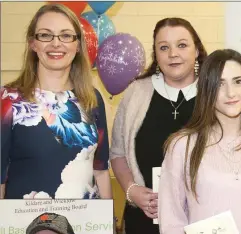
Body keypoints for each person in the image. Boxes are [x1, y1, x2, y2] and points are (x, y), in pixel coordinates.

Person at [158, 49, 241, 233]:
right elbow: (171, 220)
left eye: (238, 82)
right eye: (220, 84)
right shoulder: (182, 145)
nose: (231, 93)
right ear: (206, 90)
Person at [0, 4, 111, 200]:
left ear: (77, 45)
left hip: (85, 224)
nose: (56, 43)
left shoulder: (91, 99)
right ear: (33, 43)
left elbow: (100, 171)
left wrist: (109, 222)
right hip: (26, 225)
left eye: (66, 35)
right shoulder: (9, 100)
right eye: (45, 35)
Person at [109, 18, 207, 233]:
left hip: (202, 219)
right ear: (156, 54)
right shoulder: (136, 93)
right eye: (164, 47)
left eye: (182, 45)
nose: (173, 53)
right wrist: (131, 189)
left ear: (197, 50)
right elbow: (117, 153)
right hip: (145, 220)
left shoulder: (214, 94)